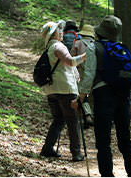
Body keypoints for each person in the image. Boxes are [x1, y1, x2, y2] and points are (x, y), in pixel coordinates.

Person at [72, 15, 131, 177]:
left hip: (103, 97)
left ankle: (107, 175)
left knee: (103, 142)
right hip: (124, 97)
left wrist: (80, 99)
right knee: (125, 140)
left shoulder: (94, 48)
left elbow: (89, 76)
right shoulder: (123, 50)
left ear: (99, 32)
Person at [39, 20, 86, 162]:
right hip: (65, 89)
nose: (61, 32)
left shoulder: (48, 48)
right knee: (72, 121)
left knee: (59, 119)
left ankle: (47, 148)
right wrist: (85, 56)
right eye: (59, 30)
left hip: (52, 89)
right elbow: (70, 62)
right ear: (53, 34)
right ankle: (76, 153)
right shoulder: (58, 46)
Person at [71, 24, 96, 128]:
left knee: (81, 93)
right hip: (95, 72)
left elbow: (71, 58)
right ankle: (91, 115)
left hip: (81, 71)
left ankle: (86, 115)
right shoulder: (96, 45)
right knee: (92, 95)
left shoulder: (77, 43)